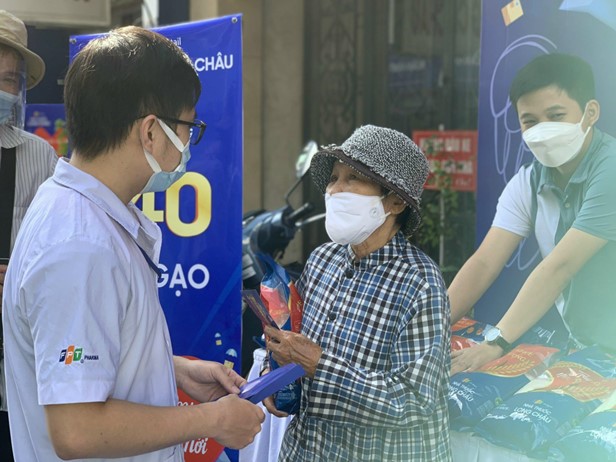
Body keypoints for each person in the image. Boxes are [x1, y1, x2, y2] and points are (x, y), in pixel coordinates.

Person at [2, 25, 264, 461]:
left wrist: (174, 370)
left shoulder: (79, 215)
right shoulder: (80, 245)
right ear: (150, 132)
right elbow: (78, 429)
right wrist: (212, 420)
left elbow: (79, 361)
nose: (186, 146)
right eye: (187, 127)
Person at [263, 125, 452, 461]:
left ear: (394, 202)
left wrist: (320, 366)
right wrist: (273, 373)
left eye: (353, 178)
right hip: (305, 450)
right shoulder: (323, 259)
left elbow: (415, 402)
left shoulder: (420, 282)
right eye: (334, 177)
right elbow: (294, 338)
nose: (335, 190)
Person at [448, 53, 616, 375]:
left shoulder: (610, 171)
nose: (543, 130)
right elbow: (484, 262)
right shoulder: (528, 181)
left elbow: (559, 267)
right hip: (588, 351)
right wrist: (428, 329)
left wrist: (496, 343)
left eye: (556, 115)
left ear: (590, 112)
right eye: (530, 121)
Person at [0, 10, 58, 462]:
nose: (5, 89)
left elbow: (52, 251)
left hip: (15, 367)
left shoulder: (39, 155)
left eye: (11, 80)